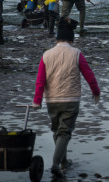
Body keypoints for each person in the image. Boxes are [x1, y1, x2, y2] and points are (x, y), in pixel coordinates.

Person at [33, 18, 101, 177]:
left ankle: (64, 162)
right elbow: (89, 75)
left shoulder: (47, 55)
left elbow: (40, 80)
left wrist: (37, 100)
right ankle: (56, 164)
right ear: (72, 38)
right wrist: (96, 92)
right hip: (71, 99)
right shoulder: (76, 53)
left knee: (57, 131)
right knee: (64, 133)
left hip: (52, 100)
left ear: (57, 37)